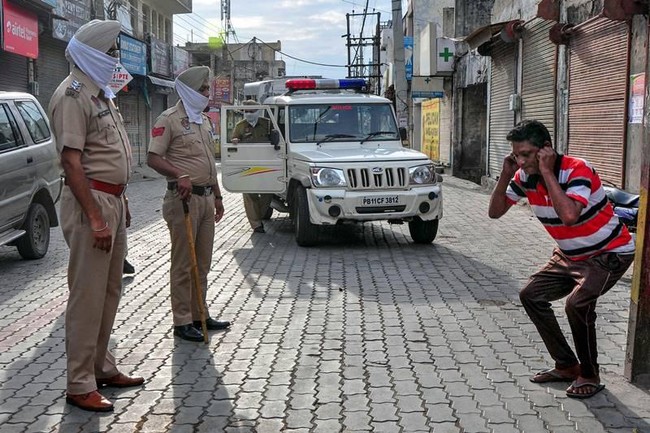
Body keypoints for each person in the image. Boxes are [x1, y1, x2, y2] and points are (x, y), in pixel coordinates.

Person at [488, 120, 635, 399]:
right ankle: (567, 365)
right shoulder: (522, 176)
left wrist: (546, 171)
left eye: (526, 155)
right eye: (516, 155)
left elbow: (569, 216)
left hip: (609, 253)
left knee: (577, 305)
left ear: (546, 150)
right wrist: (506, 175)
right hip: (570, 255)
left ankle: (589, 373)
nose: (520, 162)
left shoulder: (577, 169)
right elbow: (495, 212)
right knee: (531, 294)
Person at [49, 19, 144, 412]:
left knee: (109, 291)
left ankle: (102, 367)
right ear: (92, 54)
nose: (115, 59)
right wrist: (97, 217)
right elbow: (72, 164)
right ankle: (79, 383)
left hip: (110, 202)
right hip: (91, 205)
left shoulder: (100, 94)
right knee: (87, 295)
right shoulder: (73, 95)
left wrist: (120, 201)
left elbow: (108, 157)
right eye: (111, 52)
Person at [147, 66, 230, 342]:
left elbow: (208, 162)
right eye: (204, 89)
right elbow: (153, 157)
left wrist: (217, 196)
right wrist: (177, 174)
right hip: (183, 200)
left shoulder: (203, 121)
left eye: (207, 89)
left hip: (206, 198)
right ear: (191, 91)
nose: (207, 94)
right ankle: (182, 321)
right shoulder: (169, 119)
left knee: (202, 262)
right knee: (184, 263)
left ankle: (200, 314)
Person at [231, 99, 273, 233]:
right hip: (248, 165)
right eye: (246, 111)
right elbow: (233, 141)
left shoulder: (267, 124)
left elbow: (275, 138)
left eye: (252, 111)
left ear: (258, 111)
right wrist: (235, 141)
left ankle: (259, 215)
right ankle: (256, 224)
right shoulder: (240, 126)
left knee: (268, 193)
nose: (249, 114)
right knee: (250, 194)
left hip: (266, 164)